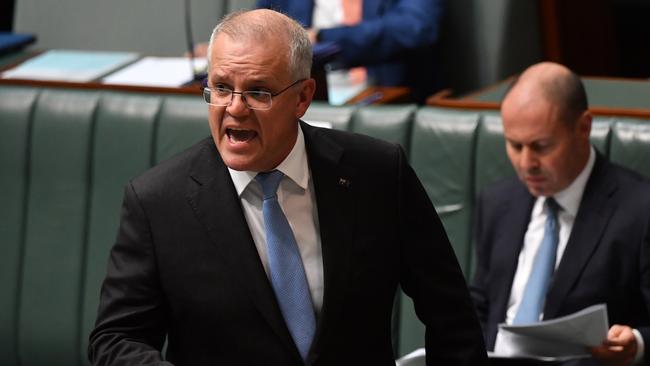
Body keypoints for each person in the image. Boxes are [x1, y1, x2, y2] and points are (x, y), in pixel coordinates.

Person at [89, 9, 487, 366]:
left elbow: (451, 316)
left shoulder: (377, 174)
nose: (235, 108)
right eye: (221, 87)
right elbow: (116, 339)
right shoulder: (159, 202)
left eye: (258, 92)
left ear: (303, 97)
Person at [470, 62, 650, 366]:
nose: (526, 163)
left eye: (541, 146)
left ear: (583, 128)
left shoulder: (640, 209)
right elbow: (479, 304)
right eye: (515, 145)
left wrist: (637, 343)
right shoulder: (497, 201)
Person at [256, 0, 443, 104]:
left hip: (387, 97)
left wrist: (322, 39)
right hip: (303, 99)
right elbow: (261, 32)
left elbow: (416, 28)